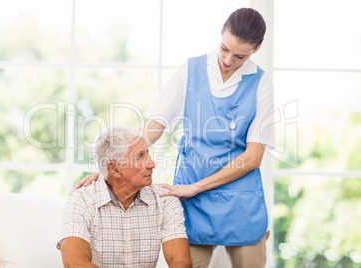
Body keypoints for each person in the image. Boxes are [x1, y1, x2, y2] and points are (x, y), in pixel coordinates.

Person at [76, 7, 274, 268]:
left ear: (255, 51)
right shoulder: (191, 70)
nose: (227, 59)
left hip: (238, 200)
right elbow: (156, 125)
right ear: (221, 34)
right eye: (224, 48)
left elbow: (252, 157)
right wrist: (110, 169)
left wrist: (196, 188)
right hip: (193, 201)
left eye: (239, 56)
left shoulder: (261, 84)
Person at [58, 126, 193, 268]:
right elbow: (75, 263)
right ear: (114, 169)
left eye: (147, 153)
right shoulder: (81, 200)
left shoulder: (165, 199)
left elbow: (181, 263)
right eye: (140, 156)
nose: (152, 164)